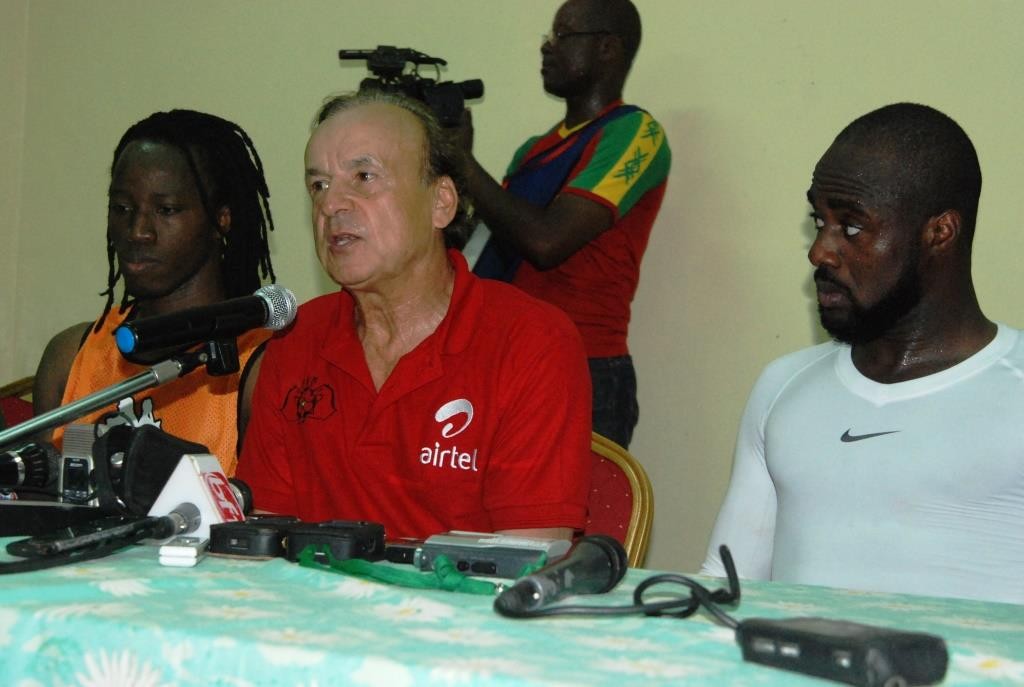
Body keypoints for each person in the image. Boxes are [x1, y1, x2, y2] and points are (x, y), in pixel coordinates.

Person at [701, 103, 1024, 604]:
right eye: (819, 220)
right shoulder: (782, 386)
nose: (820, 251)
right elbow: (723, 588)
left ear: (940, 232)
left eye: (851, 227)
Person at [237, 91, 593, 542]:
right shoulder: (296, 339)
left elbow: (527, 563)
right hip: (312, 607)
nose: (330, 206)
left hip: (465, 608)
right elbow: (263, 536)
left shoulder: (530, 342)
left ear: (441, 202)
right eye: (318, 186)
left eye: (364, 176)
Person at [460, 0, 671, 449]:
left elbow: (547, 240)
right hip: (510, 361)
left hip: (585, 366)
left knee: (571, 519)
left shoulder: (635, 133)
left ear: (608, 48)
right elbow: (483, 248)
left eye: (562, 35)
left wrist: (462, 163)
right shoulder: (533, 150)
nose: (546, 49)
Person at [33, 110, 276, 476]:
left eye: (166, 210)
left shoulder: (259, 367)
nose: (138, 231)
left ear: (221, 218)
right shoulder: (70, 357)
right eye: (122, 208)